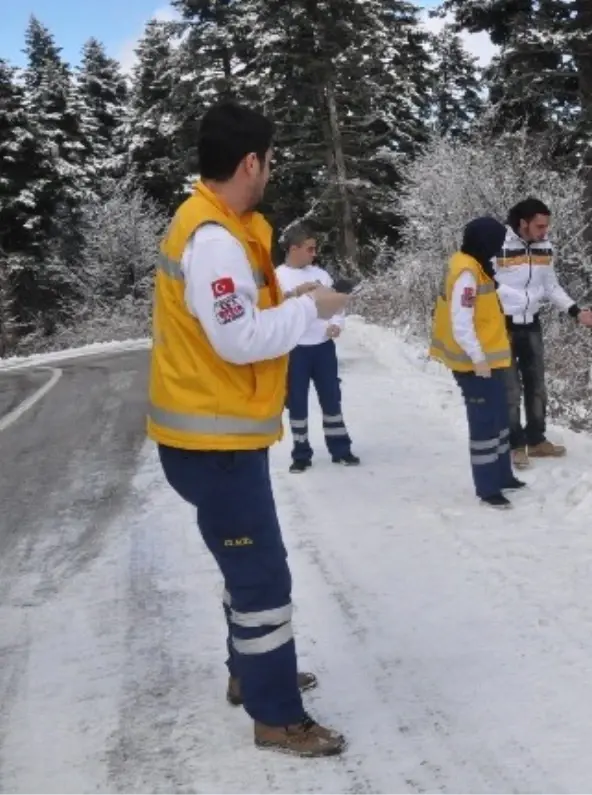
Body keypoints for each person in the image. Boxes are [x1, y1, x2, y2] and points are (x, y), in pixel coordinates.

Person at [146, 100, 348, 757]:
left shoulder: (217, 224)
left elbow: (237, 320)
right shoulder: (214, 240)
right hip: (215, 445)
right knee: (263, 577)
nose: (271, 171)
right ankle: (276, 715)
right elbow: (237, 339)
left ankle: (251, 671)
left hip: (216, 439)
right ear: (250, 162)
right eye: (269, 160)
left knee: (245, 569)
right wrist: (308, 308)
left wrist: (295, 307)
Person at [494, 198, 592, 469]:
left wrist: (576, 311)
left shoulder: (545, 247)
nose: (545, 231)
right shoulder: (497, 244)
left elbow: (551, 286)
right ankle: (515, 444)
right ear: (523, 223)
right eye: (539, 226)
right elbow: (484, 281)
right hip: (501, 325)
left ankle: (536, 440)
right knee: (510, 388)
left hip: (531, 323)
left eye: (546, 226)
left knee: (537, 385)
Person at [429, 217, 525, 508]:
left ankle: (502, 475)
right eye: (497, 242)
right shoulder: (467, 274)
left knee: (498, 419)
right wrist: (479, 359)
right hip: (476, 364)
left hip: (490, 360)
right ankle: (487, 488)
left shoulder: (477, 265)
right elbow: (461, 323)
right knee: (484, 424)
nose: (499, 248)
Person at [274, 222, 360, 473]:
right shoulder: (277, 277)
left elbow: (338, 305)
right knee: (297, 402)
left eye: (315, 249)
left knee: (331, 398)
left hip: (322, 348)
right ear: (294, 248)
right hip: (294, 349)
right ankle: (301, 453)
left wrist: (336, 323)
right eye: (310, 249)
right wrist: (293, 293)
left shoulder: (321, 275)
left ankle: (340, 449)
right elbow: (272, 309)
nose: (314, 254)